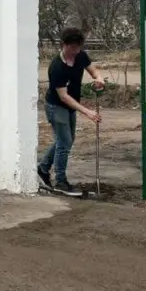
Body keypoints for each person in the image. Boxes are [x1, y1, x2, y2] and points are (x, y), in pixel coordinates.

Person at [38, 27, 104, 196]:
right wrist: (87, 112)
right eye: (72, 47)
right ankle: (60, 181)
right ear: (64, 45)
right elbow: (63, 96)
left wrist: (99, 78)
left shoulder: (81, 56)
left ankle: (43, 168)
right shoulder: (57, 67)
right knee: (65, 142)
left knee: (66, 140)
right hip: (56, 106)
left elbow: (93, 69)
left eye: (78, 47)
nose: (75, 51)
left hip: (70, 106)